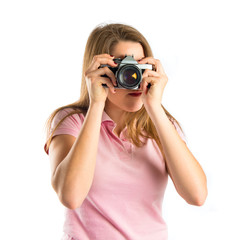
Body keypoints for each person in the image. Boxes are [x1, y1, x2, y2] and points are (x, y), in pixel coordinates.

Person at [44, 23, 207, 240]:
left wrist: (154, 108)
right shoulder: (73, 121)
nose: (132, 77)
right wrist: (96, 105)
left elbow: (197, 195)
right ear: (99, 69)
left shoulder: (162, 126)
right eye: (121, 66)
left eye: (139, 67)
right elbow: (71, 196)